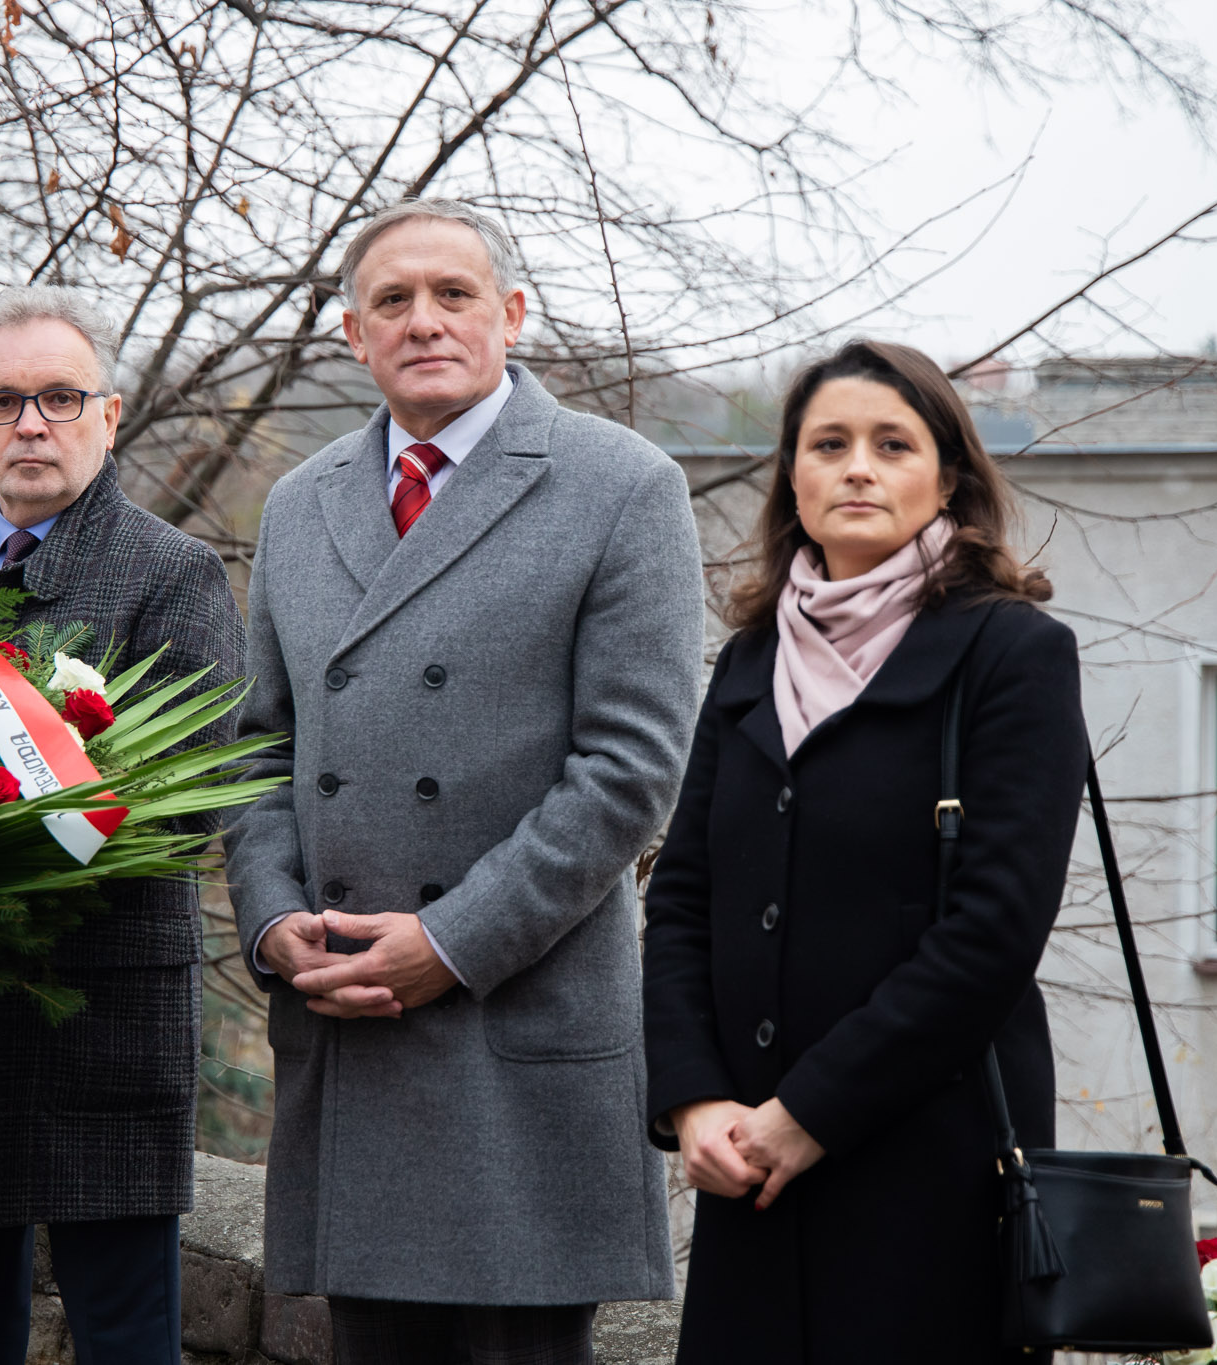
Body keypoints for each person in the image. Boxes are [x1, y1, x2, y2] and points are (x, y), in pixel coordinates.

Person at [225, 198, 705, 1364]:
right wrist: (274, 922)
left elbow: (630, 768)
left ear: (512, 314)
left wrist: (450, 943)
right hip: (348, 1022)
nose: (424, 321)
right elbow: (255, 751)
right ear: (353, 335)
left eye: (453, 294)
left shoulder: (621, 483)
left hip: (514, 1029)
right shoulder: (300, 503)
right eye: (391, 300)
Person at [640, 339, 1089, 1363]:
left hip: (931, 1178)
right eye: (828, 444)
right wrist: (694, 1098)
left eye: (892, 444)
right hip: (749, 1177)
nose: (857, 468)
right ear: (791, 477)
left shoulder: (1012, 653)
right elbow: (684, 897)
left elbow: (992, 932)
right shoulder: (751, 660)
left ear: (948, 477)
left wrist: (807, 1114)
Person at [0, 285, 244, 1364]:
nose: (31, 424)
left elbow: (193, 799)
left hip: (103, 1002)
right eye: (3, 401)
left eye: (60, 398)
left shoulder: (173, 574)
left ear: (109, 416)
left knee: (124, 1332)